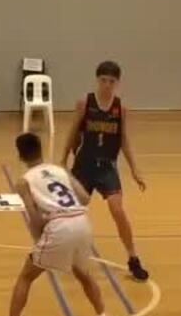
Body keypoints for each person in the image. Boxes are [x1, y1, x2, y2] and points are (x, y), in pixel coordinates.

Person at [0, 132, 115, 316]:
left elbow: (34, 216)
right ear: (41, 149)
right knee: (83, 273)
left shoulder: (24, 181)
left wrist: (39, 239)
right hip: (82, 221)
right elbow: (84, 197)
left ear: (20, 155)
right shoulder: (59, 170)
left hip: (60, 226)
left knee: (26, 276)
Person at [60, 61, 150, 281]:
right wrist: (62, 161)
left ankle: (133, 258)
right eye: (103, 80)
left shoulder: (120, 108)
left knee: (117, 210)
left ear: (117, 83)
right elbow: (72, 132)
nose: (107, 85)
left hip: (107, 166)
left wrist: (135, 169)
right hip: (84, 165)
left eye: (111, 81)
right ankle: (67, 252)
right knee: (73, 214)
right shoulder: (85, 103)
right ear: (97, 80)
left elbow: (125, 140)